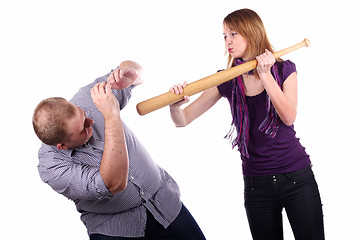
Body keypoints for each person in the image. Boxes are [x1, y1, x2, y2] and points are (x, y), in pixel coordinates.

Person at [169, 9, 324, 240]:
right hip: (256, 185)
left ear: (252, 33)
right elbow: (183, 120)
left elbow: (289, 116)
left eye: (233, 33)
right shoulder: (227, 79)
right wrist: (175, 105)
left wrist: (266, 75)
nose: (227, 41)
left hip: (296, 178)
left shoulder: (284, 69)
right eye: (224, 35)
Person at [33, 60, 206, 240]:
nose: (90, 122)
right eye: (82, 128)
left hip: (164, 204)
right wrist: (111, 115)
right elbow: (113, 183)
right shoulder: (52, 169)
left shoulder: (88, 98)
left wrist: (130, 74)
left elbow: (136, 72)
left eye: (84, 116)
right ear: (62, 145)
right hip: (115, 231)